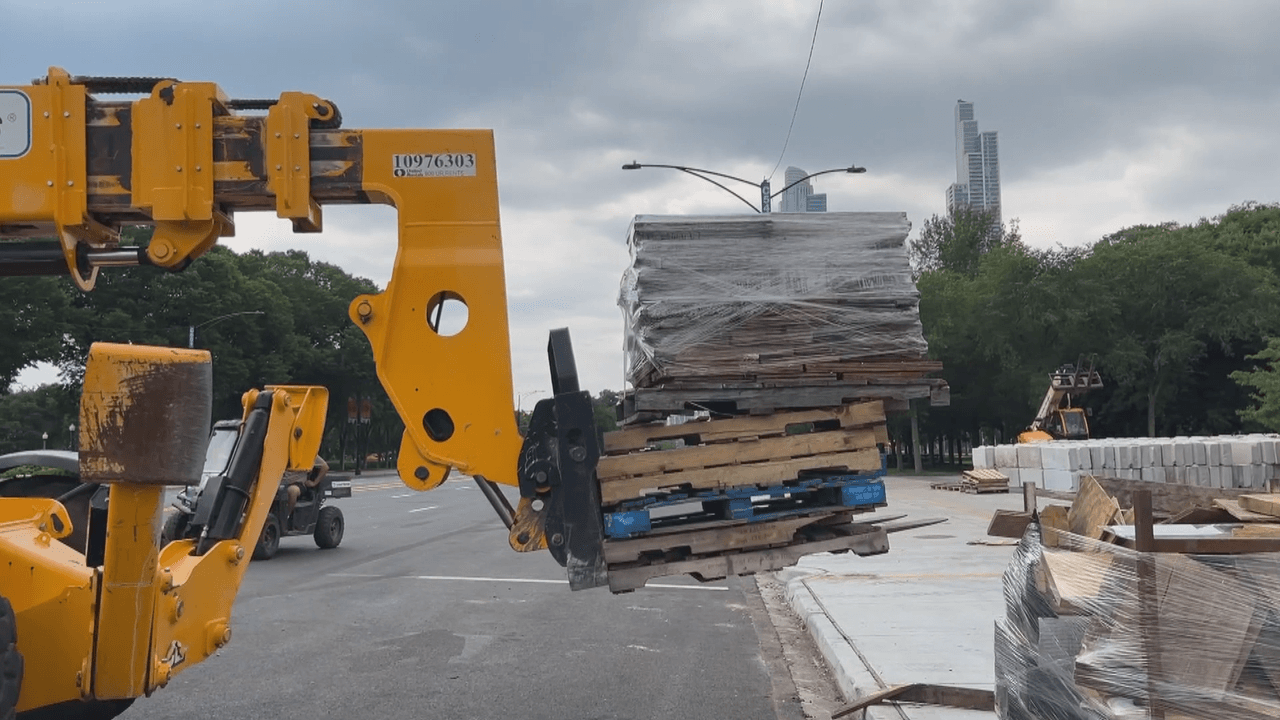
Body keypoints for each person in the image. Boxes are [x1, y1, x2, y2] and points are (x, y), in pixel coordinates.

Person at [285, 455, 328, 523]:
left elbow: (325, 467)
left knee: (292, 490)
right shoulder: (281, 451)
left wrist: (314, 483)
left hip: (298, 483)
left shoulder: (307, 452)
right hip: (279, 483)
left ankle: (287, 516)